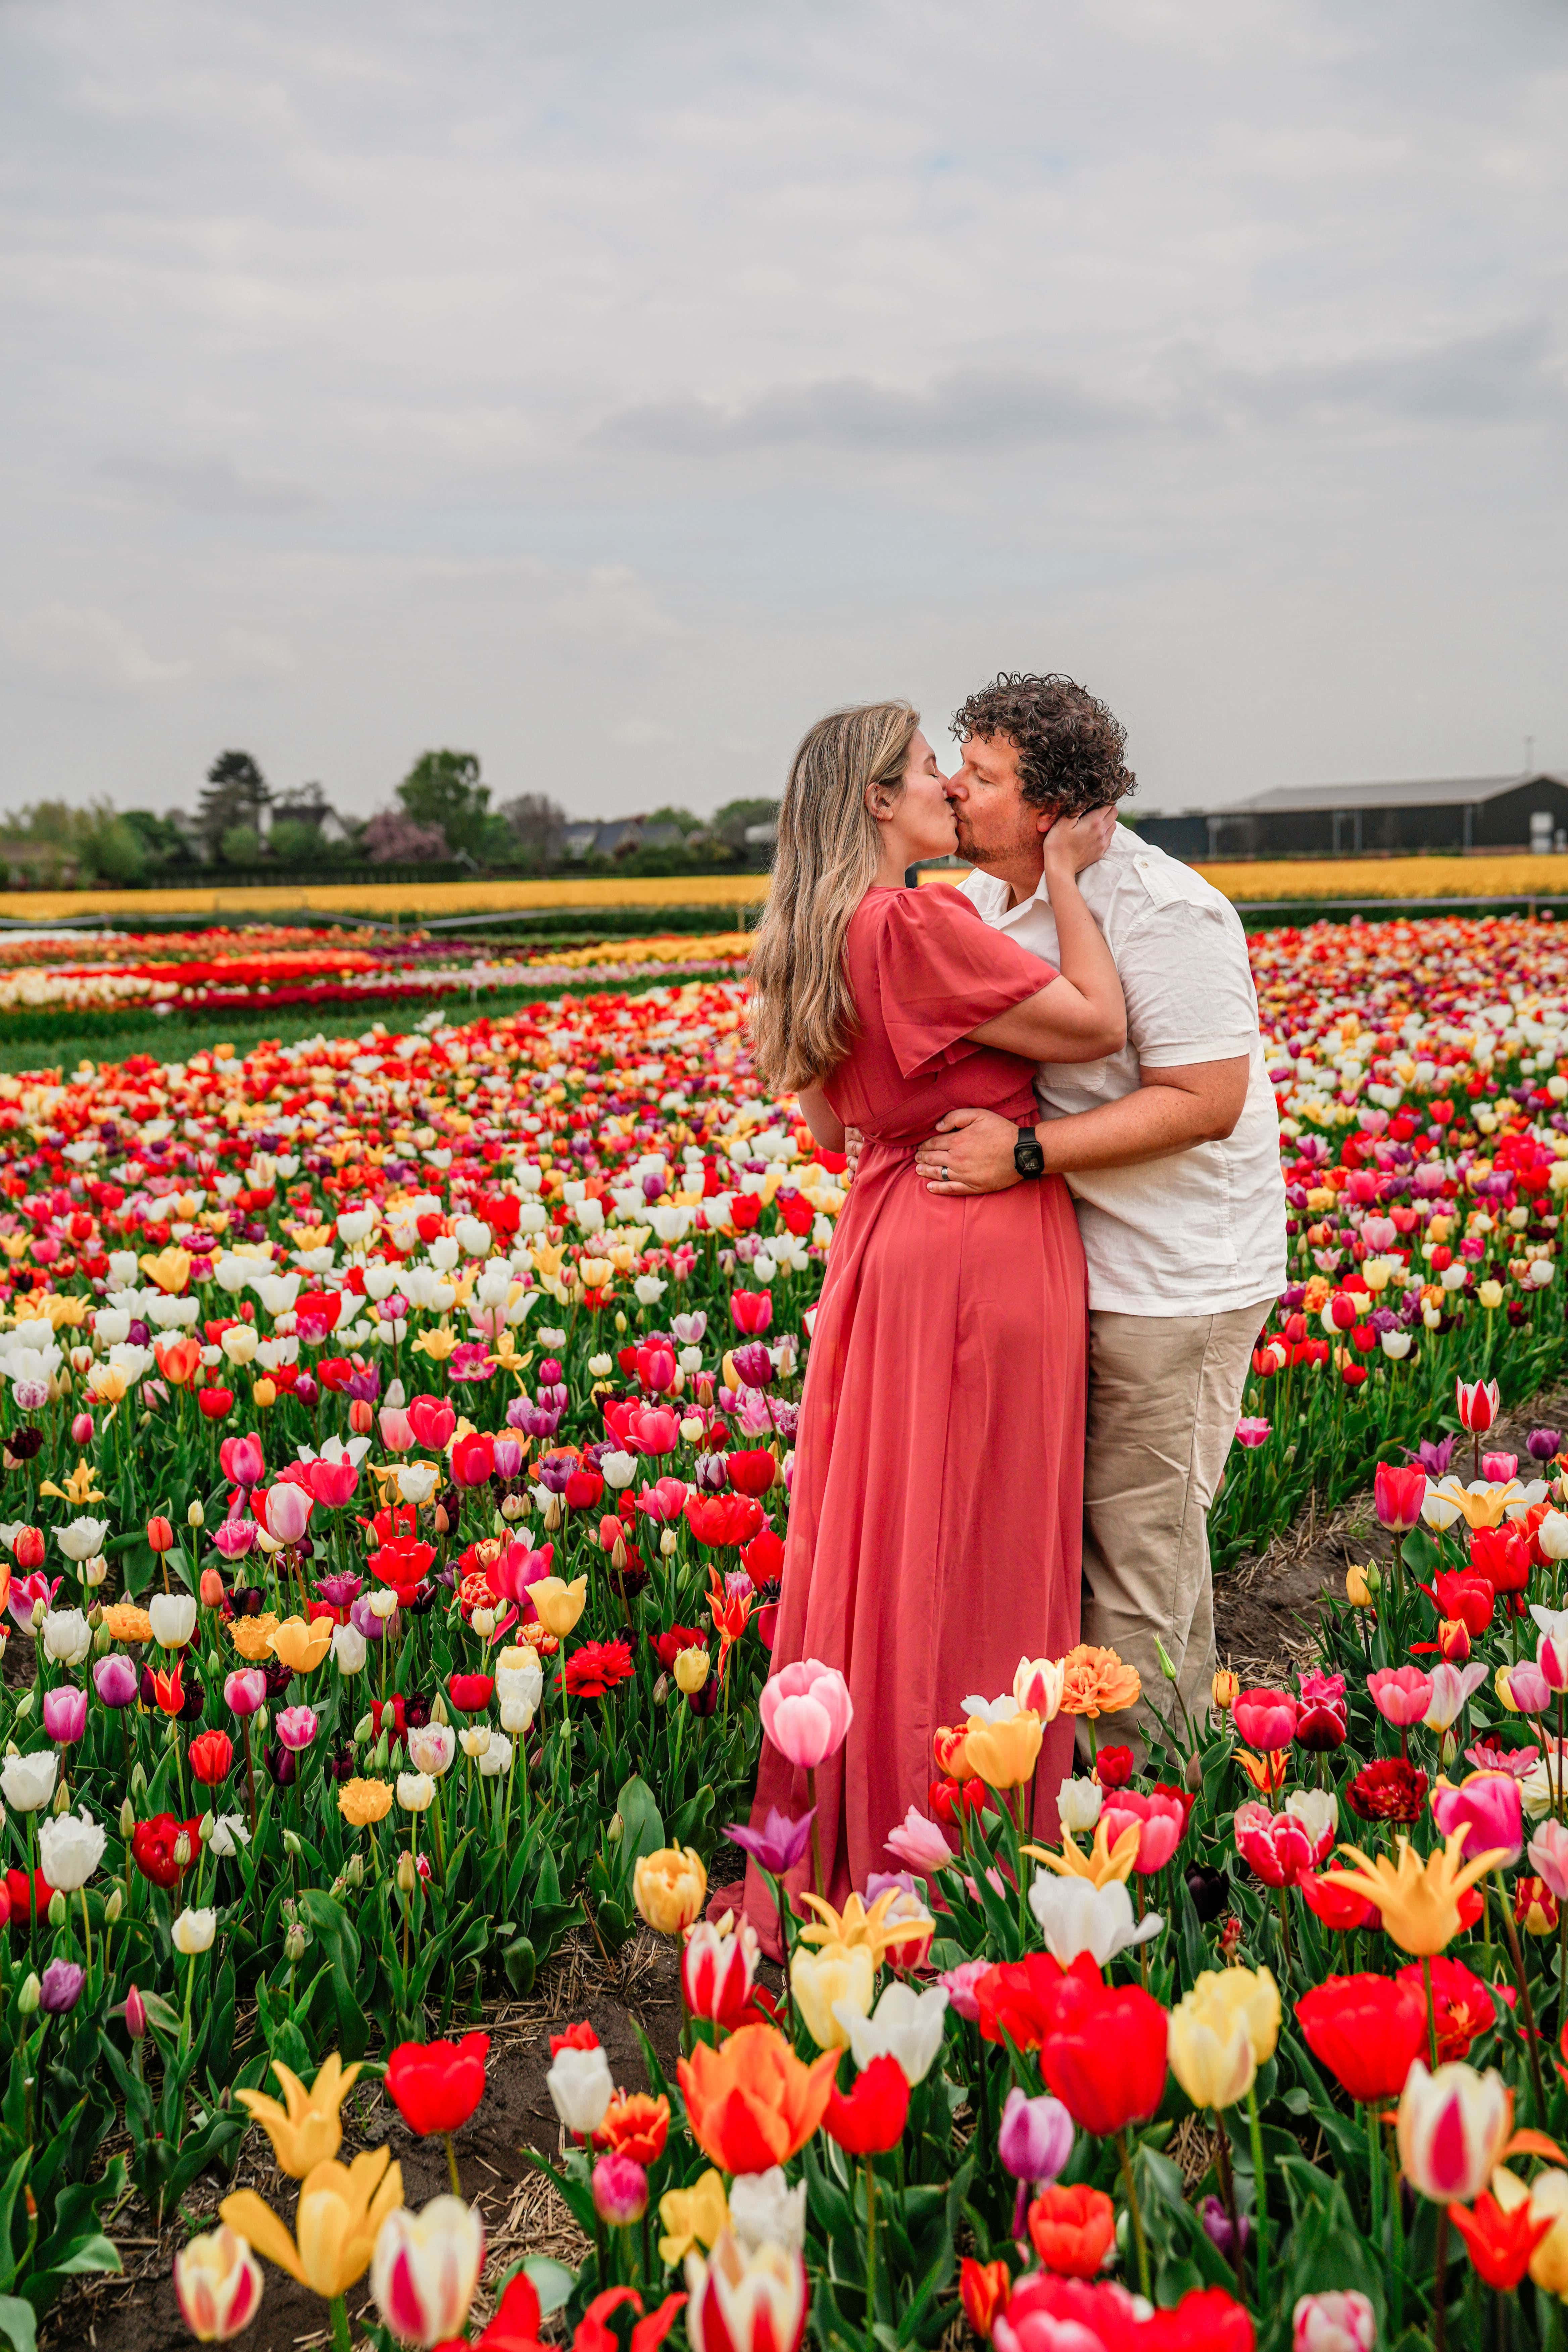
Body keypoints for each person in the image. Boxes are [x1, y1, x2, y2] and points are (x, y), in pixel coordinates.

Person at [736, 697, 1125, 1950]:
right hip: (982, 1242)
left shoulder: (817, 932)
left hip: (885, 1233)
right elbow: (1097, 1023)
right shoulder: (911, 920)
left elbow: (831, 1132)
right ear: (874, 803)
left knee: (893, 1533)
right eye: (926, 772)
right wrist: (1064, 874)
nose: (950, 791)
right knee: (976, 1539)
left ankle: (879, 1830)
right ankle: (952, 1846)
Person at [903, 673, 1286, 1758]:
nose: (955, 791)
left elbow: (1205, 1102)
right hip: (1063, 1267)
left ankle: (1155, 1814)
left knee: (1140, 1556)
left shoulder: (1166, 911)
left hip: (1176, 1276)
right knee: (1058, 1547)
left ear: (1052, 810)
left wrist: (1024, 1155)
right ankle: (1078, 1797)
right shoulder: (984, 903)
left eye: (981, 778)